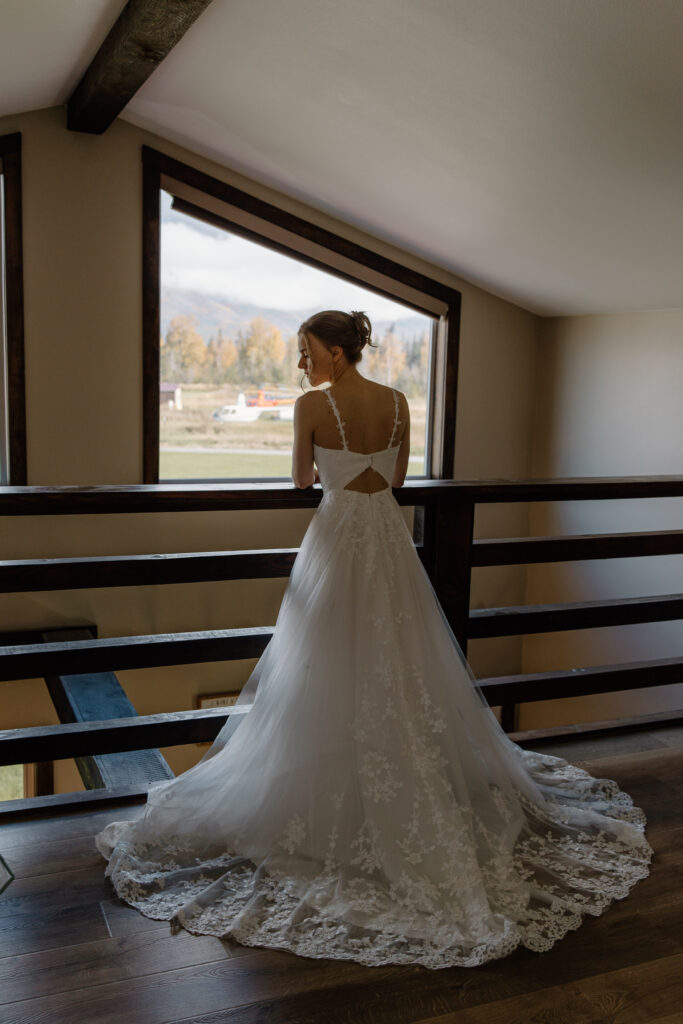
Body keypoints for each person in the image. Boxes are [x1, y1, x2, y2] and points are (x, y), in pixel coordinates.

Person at [96, 310, 652, 969]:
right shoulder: (395, 402)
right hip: (386, 537)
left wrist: (327, 467)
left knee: (321, 659)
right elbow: (397, 482)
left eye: (306, 352)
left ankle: (333, 780)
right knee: (398, 656)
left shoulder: (311, 406)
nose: (301, 364)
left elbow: (302, 481)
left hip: (335, 540)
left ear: (335, 351)